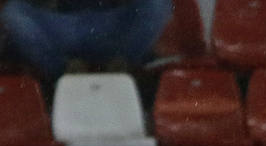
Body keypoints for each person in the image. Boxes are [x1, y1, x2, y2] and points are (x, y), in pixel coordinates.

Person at [0, 0, 173, 81]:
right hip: (61, 25)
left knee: (157, 3)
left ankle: (122, 63)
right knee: (14, 13)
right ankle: (62, 68)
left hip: (112, 27)